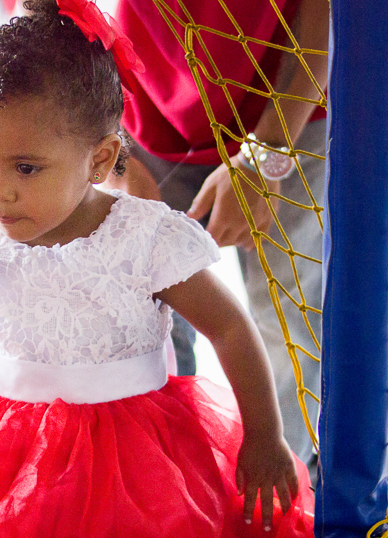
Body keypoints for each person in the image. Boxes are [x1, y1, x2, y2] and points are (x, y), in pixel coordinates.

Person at [0, 2, 348, 538]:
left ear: (99, 159)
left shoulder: (141, 237)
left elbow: (230, 327)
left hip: (127, 455)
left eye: (25, 167)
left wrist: (262, 437)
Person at [103, 0, 329, 467]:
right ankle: (167, 477)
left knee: (291, 313)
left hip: (289, 105)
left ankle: (290, 490)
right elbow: (57, 20)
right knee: (144, 308)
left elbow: (323, 23)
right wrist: (116, 151)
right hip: (142, 115)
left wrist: (266, 156)